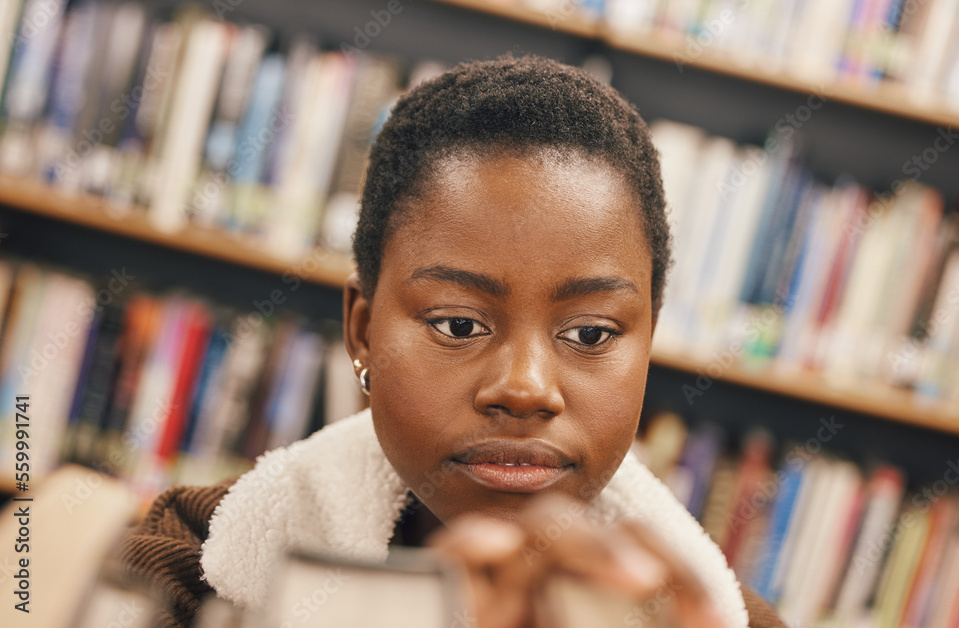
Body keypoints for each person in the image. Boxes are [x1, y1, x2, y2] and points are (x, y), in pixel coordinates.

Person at [117, 53, 786, 628]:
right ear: (363, 331)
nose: (525, 387)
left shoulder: (720, 620)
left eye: (589, 333)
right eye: (459, 325)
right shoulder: (187, 562)